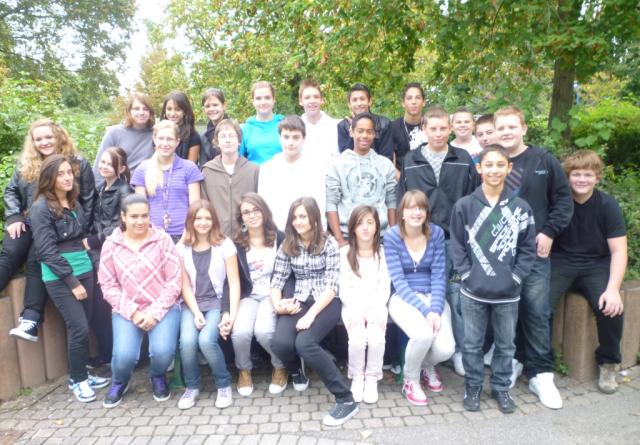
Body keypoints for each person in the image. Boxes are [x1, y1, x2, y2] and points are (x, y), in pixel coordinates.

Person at [495, 105, 573, 409]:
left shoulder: (543, 160)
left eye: (512, 126)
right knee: (506, 312)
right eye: (502, 128)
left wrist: (550, 231)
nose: (506, 132)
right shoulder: (493, 162)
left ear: (524, 128)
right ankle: (512, 361)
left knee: (537, 311)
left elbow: (563, 200)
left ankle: (541, 373)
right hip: (500, 254)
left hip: (535, 252)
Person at [450, 145, 536, 413]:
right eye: (489, 165)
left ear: (509, 168)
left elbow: (528, 248)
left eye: (500, 165)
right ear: (479, 168)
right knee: (472, 344)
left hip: (508, 293)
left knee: (506, 345)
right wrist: (467, 274)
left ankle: (501, 387)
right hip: (473, 291)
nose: (494, 170)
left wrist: (516, 276)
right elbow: (457, 245)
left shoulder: (521, 207)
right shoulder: (464, 206)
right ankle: (473, 386)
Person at [397, 106, 480, 376]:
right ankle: (421, 355)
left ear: (451, 128)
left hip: (454, 239)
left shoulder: (463, 159)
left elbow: (474, 198)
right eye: (432, 128)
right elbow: (402, 198)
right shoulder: (411, 159)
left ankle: (457, 352)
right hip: (420, 240)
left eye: (443, 128)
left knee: (455, 297)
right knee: (424, 294)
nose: (438, 133)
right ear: (424, 129)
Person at [270, 197, 359, 426]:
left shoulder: (329, 244)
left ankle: (346, 399)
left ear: (313, 218)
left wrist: (311, 315)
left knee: (305, 343)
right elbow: (277, 281)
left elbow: (332, 286)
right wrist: (279, 305)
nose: (298, 221)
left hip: (326, 302)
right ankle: (296, 372)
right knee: (280, 343)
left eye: (303, 216)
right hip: (299, 298)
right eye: (294, 217)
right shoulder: (288, 244)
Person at [6, 119, 95, 342]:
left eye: (49, 137)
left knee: (37, 253)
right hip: (30, 220)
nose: (44, 142)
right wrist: (14, 216)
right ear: (32, 142)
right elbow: (11, 191)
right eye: (38, 139)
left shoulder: (77, 163)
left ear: (59, 136)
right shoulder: (26, 163)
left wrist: (80, 229)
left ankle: (31, 318)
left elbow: (88, 199)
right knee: (11, 250)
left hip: (63, 226)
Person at [29, 154, 108, 402]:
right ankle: (78, 381)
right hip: (61, 277)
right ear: (49, 178)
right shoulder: (41, 208)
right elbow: (46, 251)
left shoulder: (73, 201)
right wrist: (71, 282)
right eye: (60, 174)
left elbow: (79, 237)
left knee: (84, 325)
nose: (67, 178)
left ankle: (80, 373)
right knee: (79, 327)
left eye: (69, 173)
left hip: (85, 268)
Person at [549, 150, 626, 394]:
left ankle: (609, 363)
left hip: (596, 265)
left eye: (588, 175)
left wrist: (613, 289)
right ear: (568, 177)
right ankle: (540, 361)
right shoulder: (559, 203)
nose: (582, 179)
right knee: (538, 304)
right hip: (561, 262)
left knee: (611, 308)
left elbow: (619, 251)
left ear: (597, 177)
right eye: (576, 174)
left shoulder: (607, 205)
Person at [99, 194, 182, 408]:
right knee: (124, 356)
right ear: (123, 217)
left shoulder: (162, 240)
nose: (140, 221)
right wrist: (133, 312)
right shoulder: (111, 245)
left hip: (163, 306)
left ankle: (157, 375)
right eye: (134, 216)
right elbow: (108, 285)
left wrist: (154, 313)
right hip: (126, 309)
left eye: (145, 216)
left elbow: (174, 280)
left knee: (163, 352)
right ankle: (120, 380)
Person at [384, 190, 454, 406]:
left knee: (446, 349)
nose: (417, 212)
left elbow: (439, 276)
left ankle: (425, 365)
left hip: (433, 297)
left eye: (421, 208)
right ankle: (411, 379)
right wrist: (426, 311)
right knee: (422, 335)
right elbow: (399, 281)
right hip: (403, 298)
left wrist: (434, 308)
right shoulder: (392, 236)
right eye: (411, 208)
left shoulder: (436, 234)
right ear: (402, 212)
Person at [227, 193, 293, 396]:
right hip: (248, 295)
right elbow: (231, 280)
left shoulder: (280, 238)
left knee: (264, 331)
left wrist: (285, 299)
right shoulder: (236, 243)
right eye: (246, 212)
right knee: (240, 332)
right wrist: (227, 311)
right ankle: (244, 370)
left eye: (256, 210)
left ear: (264, 211)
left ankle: (280, 366)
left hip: (272, 295)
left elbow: (291, 273)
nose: (252, 215)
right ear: (241, 218)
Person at [177, 200, 240, 410]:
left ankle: (223, 384)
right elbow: (185, 286)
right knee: (187, 342)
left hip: (215, 302)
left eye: (207, 218)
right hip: (192, 304)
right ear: (190, 221)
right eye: (198, 218)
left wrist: (231, 315)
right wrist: (196, 312)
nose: (203, 222)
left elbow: (234, 282)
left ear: (214, 220)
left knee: (206, 341)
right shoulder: (182, 247)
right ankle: (192, 386)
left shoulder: (224, 244)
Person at [85, 147, 133, 368]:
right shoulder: (100, 188)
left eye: (109, 163)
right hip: (97, 250)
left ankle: (118, 357)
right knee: (100, 306)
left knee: (110, 304)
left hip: (113, 250)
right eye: (102, 162)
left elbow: (123, 223)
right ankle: (108, 354)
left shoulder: (125, 190)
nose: (103, 166)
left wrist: (95, 240)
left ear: (121, 168)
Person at [339, 205, 390, 404]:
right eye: (360, 223)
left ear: (377, 226)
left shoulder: (382, 254)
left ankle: (372, 377)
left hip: (377, 306)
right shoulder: (345, 253)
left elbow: (384, 286)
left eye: (370, 222)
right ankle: (357, 376)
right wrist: (358, 310)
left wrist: (373, 309)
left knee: (376, 338)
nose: (366, 228)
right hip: (352, 307)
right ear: (353, 228)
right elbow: (344, 288)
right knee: (358, 339)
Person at [326, 112, 397, 246]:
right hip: (348, 237)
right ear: (351, 132)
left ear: (374, 134)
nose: (364, 135)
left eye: (369, 131)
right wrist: (339, 239)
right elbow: (331, 203)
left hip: (381, 237)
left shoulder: (385, 165)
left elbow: (391, 201)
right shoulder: (337, 165)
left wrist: (393, 234)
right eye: (360, 131)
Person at [131, 120, 203, 242]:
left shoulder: (189, 168)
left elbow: (195, 207)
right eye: (161, 138)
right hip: (152, 236)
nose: (165, 143)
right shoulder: (143, 169)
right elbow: (140, 208)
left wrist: (189, 232)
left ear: (177, 141)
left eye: (169, 139)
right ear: (154, 139)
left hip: (183, 235)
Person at [258, 115, 326, 230]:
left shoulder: (316, 167)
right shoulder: (267, 168)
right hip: (277, 232)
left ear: (304, 139)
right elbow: (263, 205)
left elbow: (320, 203)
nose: (290, 142)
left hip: (307, 232)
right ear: (279, 138)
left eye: (296, 137)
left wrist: (320, 232)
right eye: (286, 137)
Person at [201, 119, 259, 237]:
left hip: (247, 236)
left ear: (239, 141)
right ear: (217, 142)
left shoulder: (253, 170)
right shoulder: (207, 170)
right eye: (223, 136)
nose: (227, 140)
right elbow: (204, 205)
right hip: (217, 236)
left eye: (232, 136)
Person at [93, 92, 155, 187]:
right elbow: (99, 166)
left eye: (145, 109)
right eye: (136, 109)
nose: (141, 112)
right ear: (129, 111)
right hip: (118, 189)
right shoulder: (114, 133)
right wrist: (99, 191)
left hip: (144, 189)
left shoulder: (156, 135)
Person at [337, 83, 393, 161]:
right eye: (354, 100)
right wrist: (353, 131)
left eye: (362, 99)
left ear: (369, 101)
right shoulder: (343, 126)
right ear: (349, 104)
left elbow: (387, 156)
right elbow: (344, 157)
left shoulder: (384, 124)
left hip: (378, 167)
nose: (359, 103)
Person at [298, 79, 340, 172]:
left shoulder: (337, 126)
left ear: (322, 100)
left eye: (316, 97)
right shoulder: (295, 129)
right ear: (300, 101)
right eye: (307, 97)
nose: (312, 101)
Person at [239, 81, 284, 164]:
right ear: (253, 101)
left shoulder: (285, 125)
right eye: (258, 98)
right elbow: (239, 161)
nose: (263, 102)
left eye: (267, 98)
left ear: (274, 100)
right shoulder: (244, 129)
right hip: (253, 172)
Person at [391, 82, 427, 171]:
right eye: (409, 98)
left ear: (424, 102)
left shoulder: (431, 127)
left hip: (427, 177)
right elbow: (390, 165)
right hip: (401, 177)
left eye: (417, 98)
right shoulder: (392, 128)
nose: (413, 102)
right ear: (403, 103)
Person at [160, 91, 201, 164]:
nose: (172, 113)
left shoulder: (193, 136)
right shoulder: (159, 133)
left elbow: (191, 167)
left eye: (177, 109)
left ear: (185, 111)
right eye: (169, 109)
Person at [199, 88, 230, 166]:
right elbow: (203, 165)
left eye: (215, 105)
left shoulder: (235, 131)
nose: (211, 109)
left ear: (224, 105)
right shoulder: (204, 137)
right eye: (207, 106)